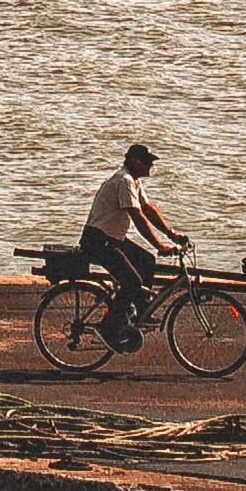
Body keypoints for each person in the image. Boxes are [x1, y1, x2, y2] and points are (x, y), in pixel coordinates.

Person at [79, 144, 188, 350]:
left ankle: (140, 310)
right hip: (98, 240)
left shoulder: (134, 181)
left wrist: (171, 235)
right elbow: (137, 216)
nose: (150, 167)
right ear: (137, 162)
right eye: (148, 162)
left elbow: (148, 209)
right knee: (132, 282)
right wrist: (159, 244)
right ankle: (108, 330)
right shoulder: (124, 180)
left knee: (147, 261)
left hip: (112, 238)